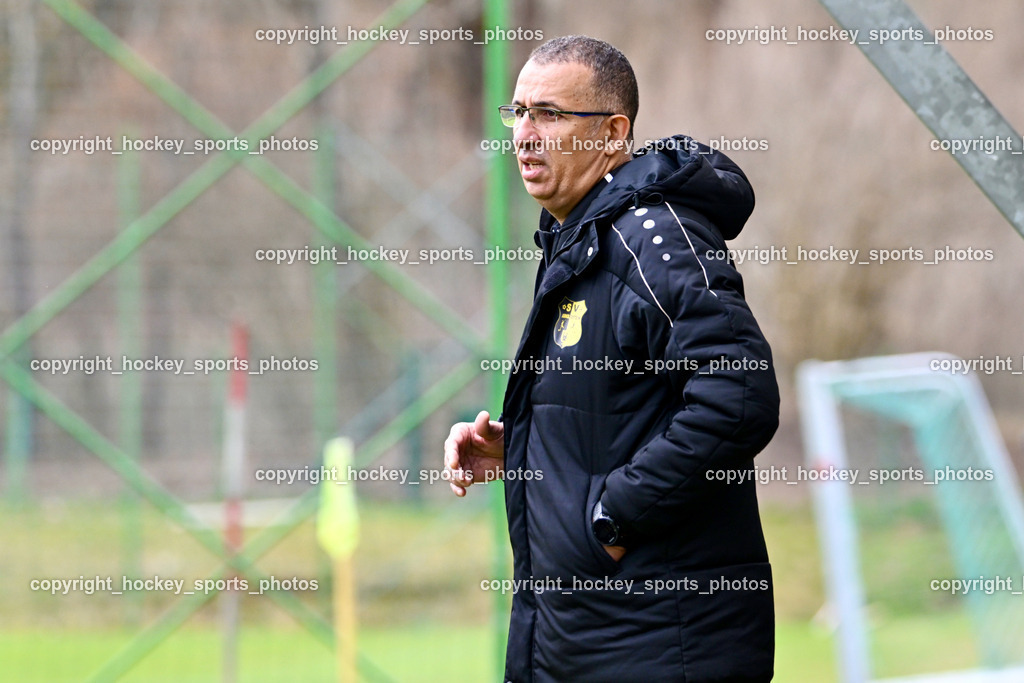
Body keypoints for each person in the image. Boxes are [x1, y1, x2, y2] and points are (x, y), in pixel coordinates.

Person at [444, 35, 780, 682]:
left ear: (613, 131)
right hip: (583, 643)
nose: (525, 134)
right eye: (517, 113)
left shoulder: (654, 239)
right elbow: (631, 406)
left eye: (550, 114)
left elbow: (739, 395)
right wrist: (524, 447)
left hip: (662, 646)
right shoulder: (582, 237)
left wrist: (614, 512)